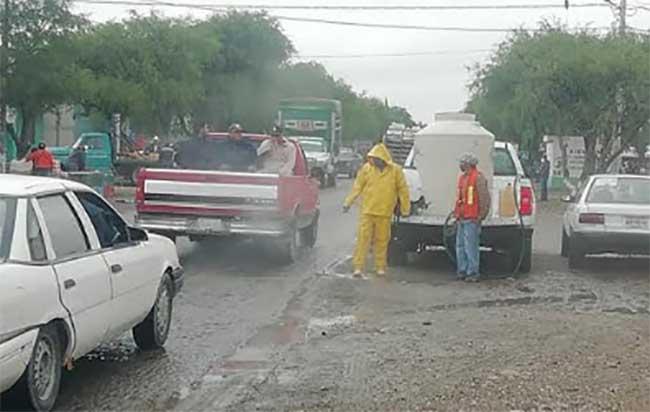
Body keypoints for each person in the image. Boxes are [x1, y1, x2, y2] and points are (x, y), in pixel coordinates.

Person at [343, 143, 410, 277]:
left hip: (385, 213)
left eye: (376, 158)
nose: (373, 160)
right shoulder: (366, 169)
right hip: (367, 211)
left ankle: (380, 267)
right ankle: (358, 267)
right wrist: (348, 202)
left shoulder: (396, 171)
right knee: (363, 240)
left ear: (383, 159)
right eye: (372, 158)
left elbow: (403, 190)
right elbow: (357, 187)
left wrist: (405, 209)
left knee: (382, 241)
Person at [454, 153, 491, 282]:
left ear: (468, 164)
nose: (460, 165)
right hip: (462, 217)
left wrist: (481, 216)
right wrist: (456, 214)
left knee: (471, 246)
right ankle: (462, 270)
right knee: (460, 246)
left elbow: (484, 198)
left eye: (462, 163)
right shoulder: (462, 178)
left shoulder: (478, 178)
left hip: (472, 218)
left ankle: (473, 272)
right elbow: (460, 198)